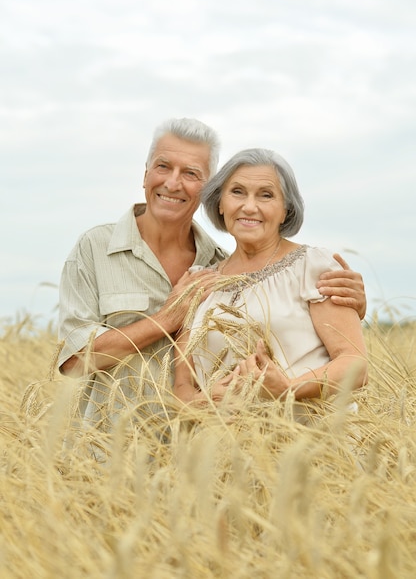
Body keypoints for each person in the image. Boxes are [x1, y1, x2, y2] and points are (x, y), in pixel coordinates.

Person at [58, 119, 366, 435]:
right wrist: (167, 321)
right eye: (163, 167)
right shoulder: (104, 251)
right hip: (118, 449)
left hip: (286, 452)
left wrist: (353, 310)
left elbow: (350, 359)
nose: (174, 183)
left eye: (191, 173)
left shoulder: (296, 267)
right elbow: (76, 362)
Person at [173, 148, 368, 413]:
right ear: (220, 202)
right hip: (223, 446)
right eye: (237, 192)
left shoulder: (313, 267)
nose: (249, 206)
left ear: (286, 209)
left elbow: (355, 365)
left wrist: (288, 389)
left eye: (266, 195)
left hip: (311, 443)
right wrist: (203, 404)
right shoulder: (200, 282)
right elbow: (182, 387)